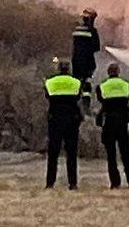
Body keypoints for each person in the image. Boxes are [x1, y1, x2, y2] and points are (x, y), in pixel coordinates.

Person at [96, 63, 129, 189]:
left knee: (111, 154)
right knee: (125, 152)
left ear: (108, 73)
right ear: (118, 72)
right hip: (122, 122)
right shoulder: (125, 84)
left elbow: (101, 100)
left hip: (109, 122)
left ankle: (115, 182)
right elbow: (127, 98)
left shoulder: (102, 86)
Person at [44, 60, 82, 190]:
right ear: (69, 69)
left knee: (53, 153)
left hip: (55, 119)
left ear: (59, 69)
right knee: (71, 153)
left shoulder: (50, 82)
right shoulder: (76, 82)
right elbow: (78, 97)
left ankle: (50, 183)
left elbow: (47, 96)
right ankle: (73, 183)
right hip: (71, 120)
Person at [71, 8, 100, 108]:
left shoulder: (76, 29)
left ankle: (75, 102)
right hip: (88, 61)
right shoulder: (92, 31)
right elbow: (96, 47)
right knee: (87, 82)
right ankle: (86, 104)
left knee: (77, 82)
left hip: (75, 60)